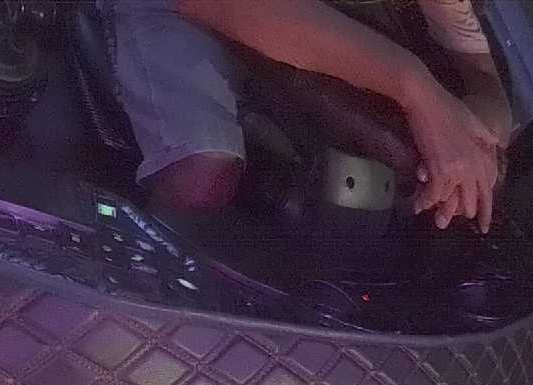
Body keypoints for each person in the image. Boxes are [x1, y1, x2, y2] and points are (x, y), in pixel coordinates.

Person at [103, 0, 512, 233]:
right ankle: (140, 300)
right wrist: (421, 95)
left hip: (316, 28)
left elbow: (481, 74)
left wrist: (475, 139)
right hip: (181, 9)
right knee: (202, 174)